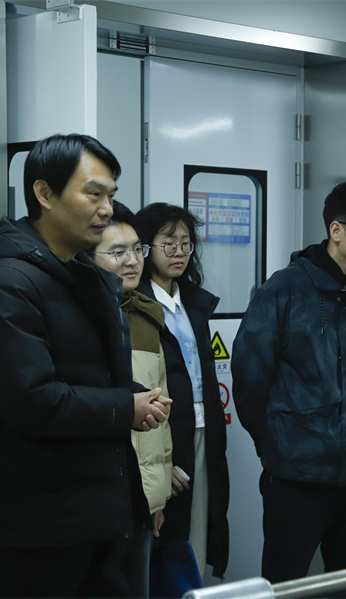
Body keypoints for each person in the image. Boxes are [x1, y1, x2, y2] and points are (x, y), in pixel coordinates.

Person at [0, 133, 171, 597]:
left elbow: (86, 376)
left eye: (110, 195)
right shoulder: (7, 283)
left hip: (94, 513)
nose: (107, 209)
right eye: (93, 194)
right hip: (36, 526)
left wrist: (135, 395)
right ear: (44, 193)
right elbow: (30, 400)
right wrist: (125, 407)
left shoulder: (81, 275)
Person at [231, 180, 346, 583]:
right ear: (336, 229)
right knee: (286, 580)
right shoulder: (284, 288)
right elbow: (250, 378)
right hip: (297, 470)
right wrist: (276, 443)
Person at [134, 204, 230, 586]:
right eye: (168, 243)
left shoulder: (192, 302)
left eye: (186, 243)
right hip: (161, 434)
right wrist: (160, 458)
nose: (179, 252)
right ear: (146, 248)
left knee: (198, 530)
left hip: (202, 429)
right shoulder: (136, 301)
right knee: (161, 542)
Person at [92, 201, 174, 597]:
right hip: (95, 495)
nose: (133, 261)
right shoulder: (82, 316)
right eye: (117, 252)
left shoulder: (146, 315)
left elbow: (160, 411)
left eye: (137, 249)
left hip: (141, 497)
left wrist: (155, 498)